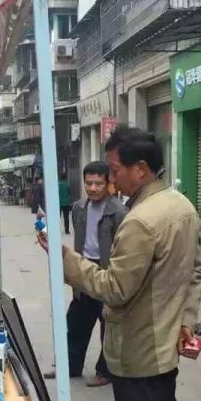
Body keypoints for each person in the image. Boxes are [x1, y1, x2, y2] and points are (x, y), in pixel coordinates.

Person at [38, 127, 201, 401]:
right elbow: (193, 272)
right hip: (165, 340)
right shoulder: (180, 206)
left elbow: (114, 288)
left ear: (140, 169)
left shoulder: (141, 221)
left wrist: (66, 259)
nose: (111, 180)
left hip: (139, 344)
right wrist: (187, 321)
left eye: (114, 170)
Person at [45, 161, 126, 387]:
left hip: (106, 270)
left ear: (108, 183)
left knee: (108, 324)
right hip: (83, 266)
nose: (93, 188)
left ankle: (105, 371)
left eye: (98, 183)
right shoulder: (79, 208)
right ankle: (71, 366)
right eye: (89, 183)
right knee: (76, 322)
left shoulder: (119, 212)